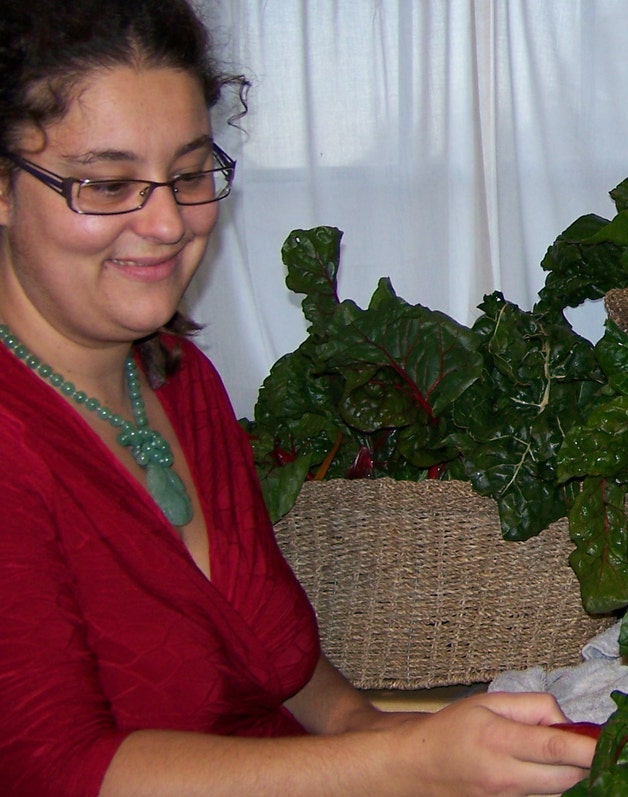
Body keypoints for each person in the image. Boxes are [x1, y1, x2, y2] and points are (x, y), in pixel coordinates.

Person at [0, 1, 596, 795]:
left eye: (188, 174)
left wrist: (411, 735)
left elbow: (298, 686)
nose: (168, 221)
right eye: (108, 185)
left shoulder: (181, 383)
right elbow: (55, 770)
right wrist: (405, 763)